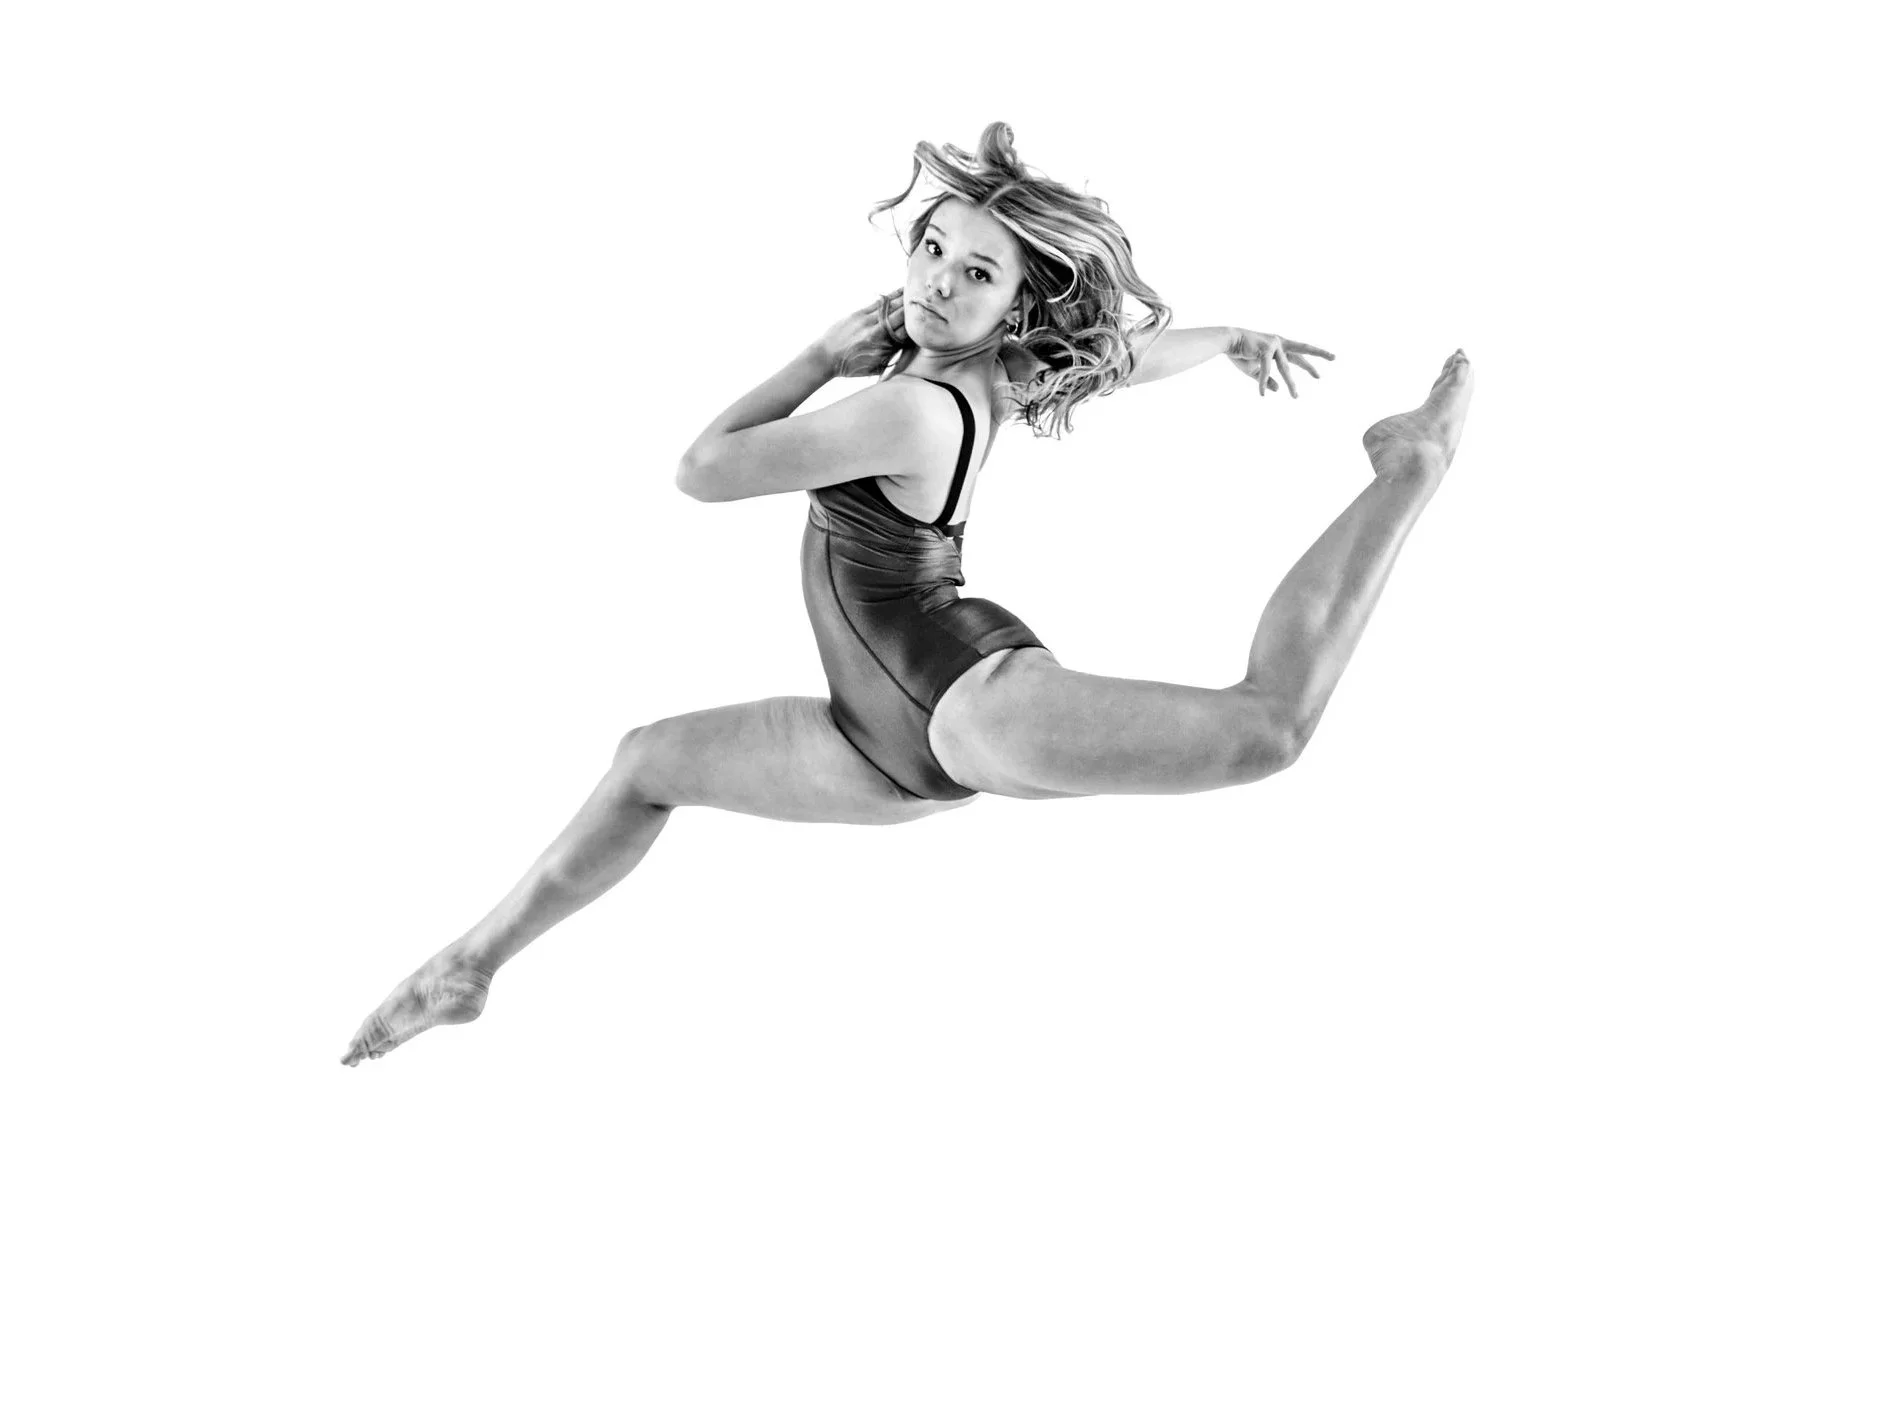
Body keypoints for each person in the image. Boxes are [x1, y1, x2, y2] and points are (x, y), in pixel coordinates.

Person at [341, 121, 1473, 1066]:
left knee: (1264, 728)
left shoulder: (906, 409)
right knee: (646, 762)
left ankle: (1409, 469)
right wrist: (1229, 339)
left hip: (960, 696)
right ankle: (467, 967)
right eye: (934, 248)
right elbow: (1115, 360)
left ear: (1013, 302)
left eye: (975, 273)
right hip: (868, 740)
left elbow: (703, 469)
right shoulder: (988, 369)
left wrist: (818, 353)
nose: (936, 282)